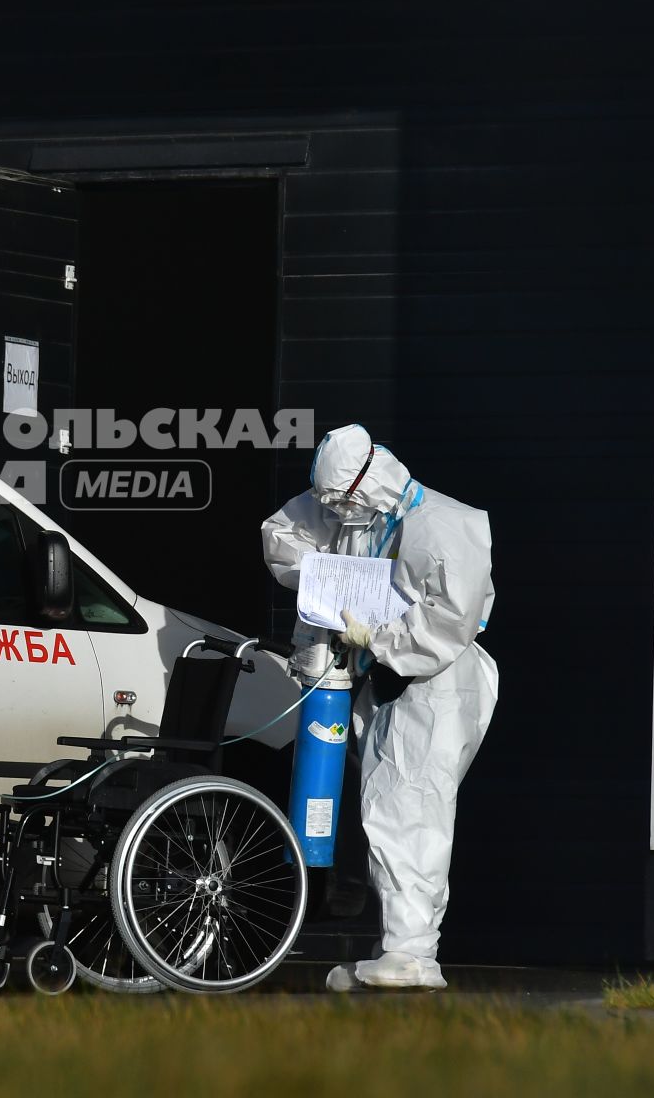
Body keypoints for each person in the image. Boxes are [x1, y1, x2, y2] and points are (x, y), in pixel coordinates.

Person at [261, 424, 497, 991]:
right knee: (385, 808)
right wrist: (322, 578)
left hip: (436, 681)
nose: (337, 511)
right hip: (382, 682)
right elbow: (280, 534)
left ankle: (413, 955)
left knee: (411, 809)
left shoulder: (441, 526)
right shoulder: (347, 513)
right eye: (331, 503)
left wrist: (381, 634)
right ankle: (401, 946)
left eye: (343, 500)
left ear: (372, 478)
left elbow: (452, 619)